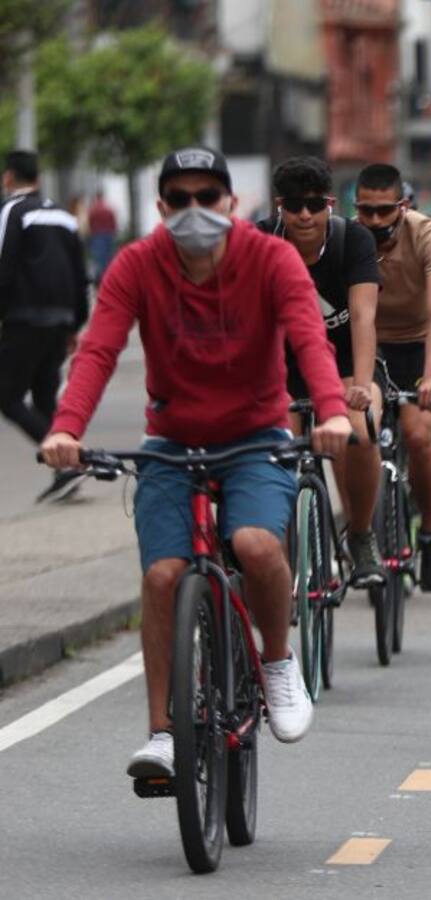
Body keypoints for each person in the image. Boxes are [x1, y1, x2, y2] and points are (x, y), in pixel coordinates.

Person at [40, 146, 353, 778]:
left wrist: (333, 412)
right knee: (163, 576)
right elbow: (99, 349)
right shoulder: (137, 264)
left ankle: (276, 662)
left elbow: (307, 337)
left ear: (231, 203)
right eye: (178, 200)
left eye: (206, 197)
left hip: (256, 438)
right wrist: (66, 430)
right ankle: (163, 733)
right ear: (160, 208)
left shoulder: (271, 259)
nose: (193, 210)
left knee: (258, 545)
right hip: (172, 444)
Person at [254, 157, 384, 584]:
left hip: (345, 363)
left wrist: (363, 386)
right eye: (294, 205)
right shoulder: (260, 241)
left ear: (330, 203)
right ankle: (276, 553)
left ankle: (360, 536)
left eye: (314, 204)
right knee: (272, 448)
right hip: (280, 367)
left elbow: (364, 317)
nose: (305, 215)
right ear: (279, 207)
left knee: (360, 434)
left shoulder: (354, 241)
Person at [354, 163, 431, 591]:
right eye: (365, 211)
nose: (374, 221)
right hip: (370, 348)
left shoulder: (428, 236)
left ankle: (429, 533)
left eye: (384, 211)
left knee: (417, 435)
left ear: (403, 206)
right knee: (363, 427)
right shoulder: (347, 238)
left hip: (418, 348)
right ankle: (363, 532)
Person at [0, 149, 91, 503]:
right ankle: (64, 469)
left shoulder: (12, 210)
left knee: (6, 396)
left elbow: (4, 267)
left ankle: (68, 462)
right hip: (60, 321)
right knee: (42, 397)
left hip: (25, 319)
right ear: (37, 176)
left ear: (9, 177)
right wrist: (75, 323)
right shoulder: (64, 218)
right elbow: (80, 275)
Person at [87, 190, 119, 282]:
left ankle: (101, 278)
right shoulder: (108, 207)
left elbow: (90, 222)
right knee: (109, 257)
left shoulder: (93, 209)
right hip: (109, 234)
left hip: (97, 235)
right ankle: (109, 276)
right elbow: (113, 222)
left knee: (99, 258)